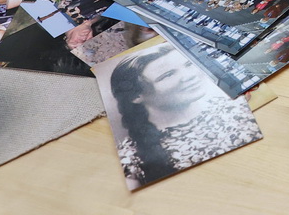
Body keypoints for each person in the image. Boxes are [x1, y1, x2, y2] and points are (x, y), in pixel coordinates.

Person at [108, 45, 258, 186]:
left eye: (188, 65)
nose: (189, 76)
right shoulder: (131, 156)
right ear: (136, 95)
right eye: (167, 75)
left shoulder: (238, 106)